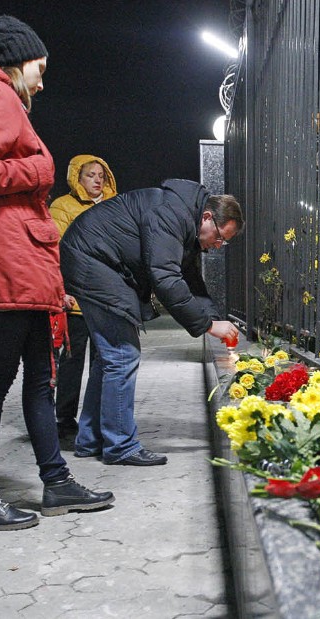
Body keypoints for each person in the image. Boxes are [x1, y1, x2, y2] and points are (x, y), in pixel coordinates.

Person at [0, 15, 113, 531]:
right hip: (11, 257)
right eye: (39, 67)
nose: (42, 79)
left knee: (39, 379)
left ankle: (56, 482)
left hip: (16, 254)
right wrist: (37, 171)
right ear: (15, 61)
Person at [59, 179, 242, 466]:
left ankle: (90, 439)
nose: (218, 245)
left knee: (109, 358)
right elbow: (166, 278)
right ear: (207, 217)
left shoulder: (185, 219)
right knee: (122, 355)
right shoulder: (171, 214)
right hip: (92, 260)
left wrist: (215, 319)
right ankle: (120, 446)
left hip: (93, 258)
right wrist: (207, 326)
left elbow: (190, 281)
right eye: (220, 237)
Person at [49, 155, 118, 444]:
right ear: (77, 177)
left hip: (106, 299)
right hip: (76, 300)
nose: (97, 179)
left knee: (104, 362)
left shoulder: (116, 205)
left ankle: (100, 418)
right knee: (72, 362)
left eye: (101, 174)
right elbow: (57, 250)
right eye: (90, 175)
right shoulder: (62, 206)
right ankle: (64, 418)